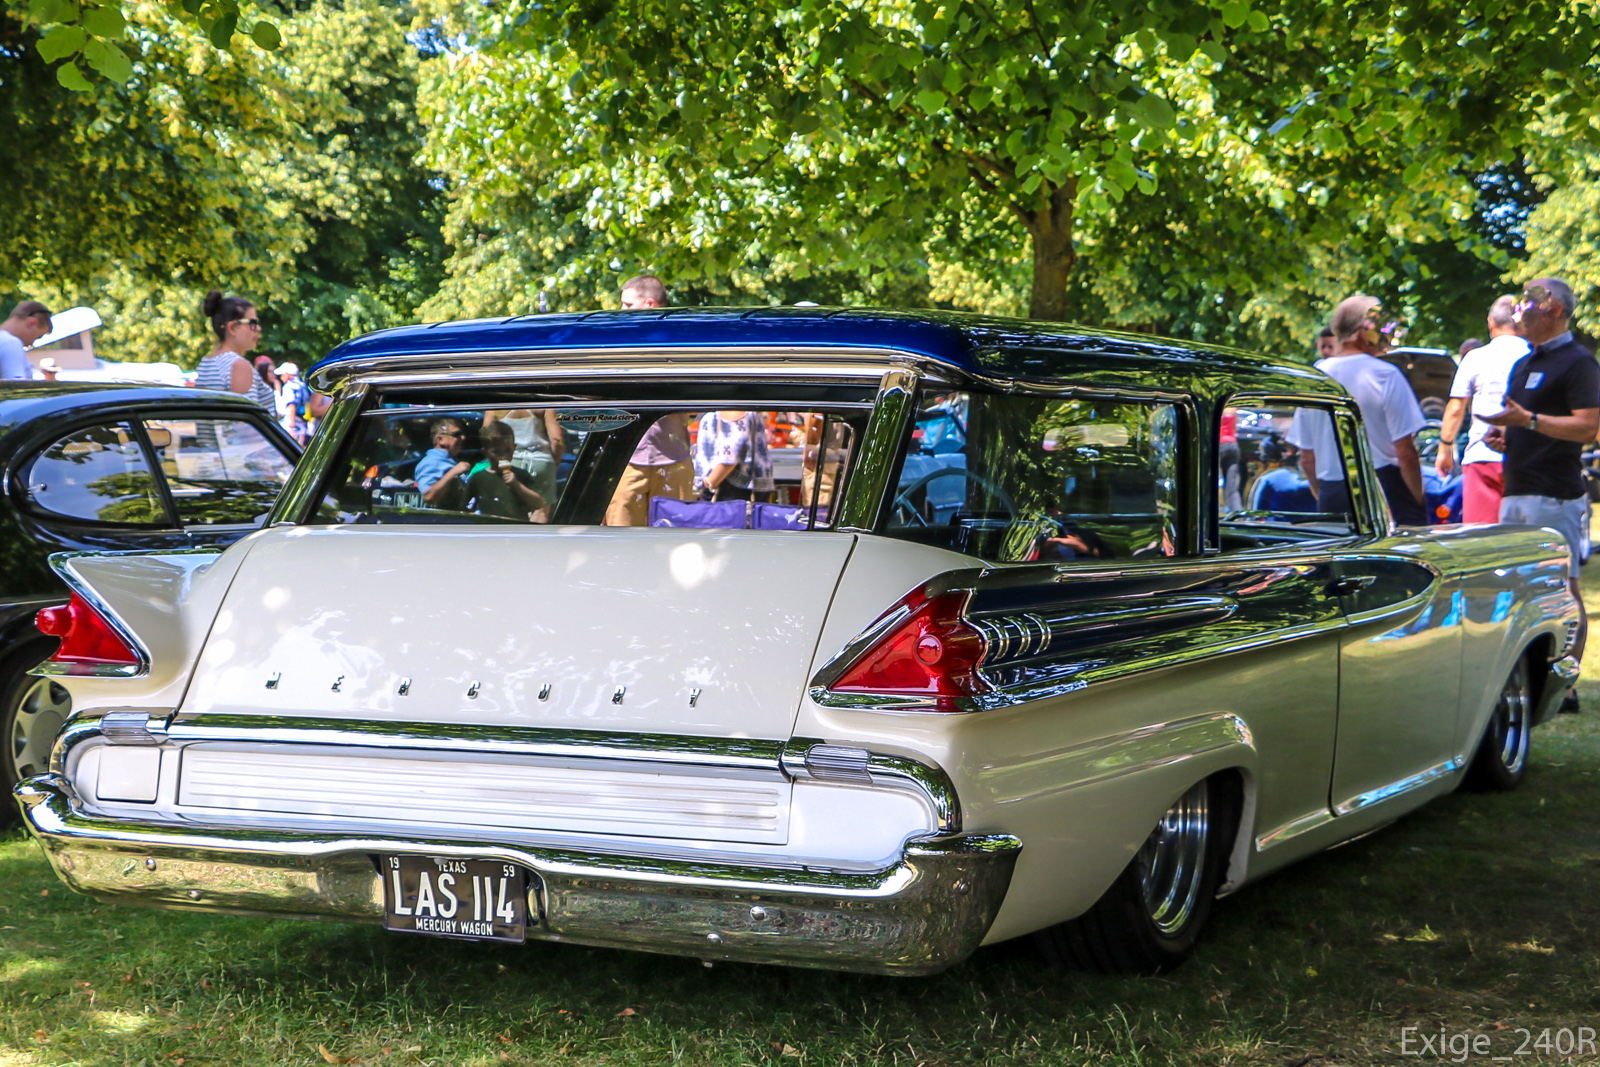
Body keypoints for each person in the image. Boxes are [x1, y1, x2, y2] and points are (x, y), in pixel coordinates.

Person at [1483, 277, 1599, 663]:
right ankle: (1528, 670)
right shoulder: (1524, 362)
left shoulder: (1579, 362)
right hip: (1515, 490)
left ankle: (1566, 678)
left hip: (1554, 495)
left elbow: (1587, 427)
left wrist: (1529, 420)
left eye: (1530, 303)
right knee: (1518, 588)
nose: (1520, 312)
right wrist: (1502, 434)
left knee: (1562, 589)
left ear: (1556, 310)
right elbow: (1521, 420)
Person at [1288, 295, 1428, 525]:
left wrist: (1325, 496)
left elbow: (1306, 458)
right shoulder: (1386, 374)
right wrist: (1417, 500)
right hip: (1383, 489)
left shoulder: (1315, 377)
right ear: (1364, 331)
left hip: (1332, 492)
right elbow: (1405, 452)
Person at [1436, 295, 1530, 522]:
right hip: (1528, 458)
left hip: (1482, 455)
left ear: (1490, 322)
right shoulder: (1535, 356)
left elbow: (1456, 408)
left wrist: (1445, 448)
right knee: (1526, 539)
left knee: (1482, 539)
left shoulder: (1475, 358)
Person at [194, 290, 274, 412]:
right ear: (232, 327)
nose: (258, 328)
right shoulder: (238, 365)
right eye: (252, 323)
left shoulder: (205, 363)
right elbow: (244, 423)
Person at [468, 421, 546, 521]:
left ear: (514, 448)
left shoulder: (521, 475)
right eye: (496, 451)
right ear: (485, 452)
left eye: (508, 450)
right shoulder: (478, 478)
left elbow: (538, 503)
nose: (503, 456)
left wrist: (516, 485)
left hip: (516, 530)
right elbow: (465, 507)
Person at [694, 409, 774, 501]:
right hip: (751, 482)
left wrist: (710, 484)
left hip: (729, 483)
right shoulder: (747, 408)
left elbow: (729, 456)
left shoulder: (731, 409)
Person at [414, 417, 472, 510]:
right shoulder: (431, 462)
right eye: (457, 434)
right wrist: (454, 472)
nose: (463, 438)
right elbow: (429, 497)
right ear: (440, 439)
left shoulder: (451, 460)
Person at [0, 300, 52, 379]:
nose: (31, 344)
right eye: (38, 336)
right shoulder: (11, 343)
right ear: (32, 322)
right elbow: (16, 387)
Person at [276, 362, 313, 445]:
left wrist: (292, 427)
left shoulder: (289, 387)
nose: (281, 377)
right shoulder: (303, 385)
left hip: (294, 425)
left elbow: (292, 405)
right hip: (303, 424)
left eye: (282, 374)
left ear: (287, 374)